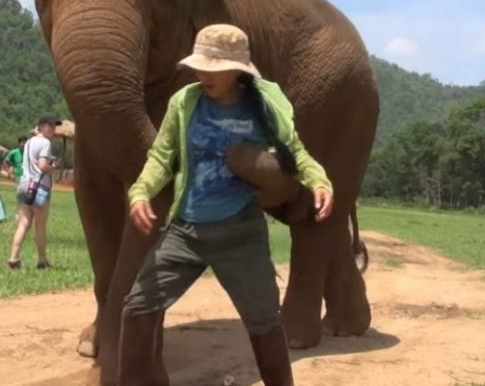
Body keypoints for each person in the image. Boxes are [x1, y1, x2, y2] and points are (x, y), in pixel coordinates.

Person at [120, 24, 334, 386]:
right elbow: (162, 155)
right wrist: (140, 192)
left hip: (240, 232)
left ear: (237, 69)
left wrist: (319, 181)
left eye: (214, 68)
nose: (204, 74)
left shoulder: (262, 105)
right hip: (186, 231)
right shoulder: (185, 102)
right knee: (138, 307)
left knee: (265, 321)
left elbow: (294, 151)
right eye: (200, 66)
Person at [7, 115, 60, 269]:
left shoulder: (29, 142)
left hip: (24, 183)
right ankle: (42, 261)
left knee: (23, 223)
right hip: (39, 187)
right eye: (50, 125)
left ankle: (13, 258)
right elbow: (43, 165)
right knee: (40, 226)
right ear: (41, 126)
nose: (53, 129)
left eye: (54, 126)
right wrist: (52, 168)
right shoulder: (45, 143)